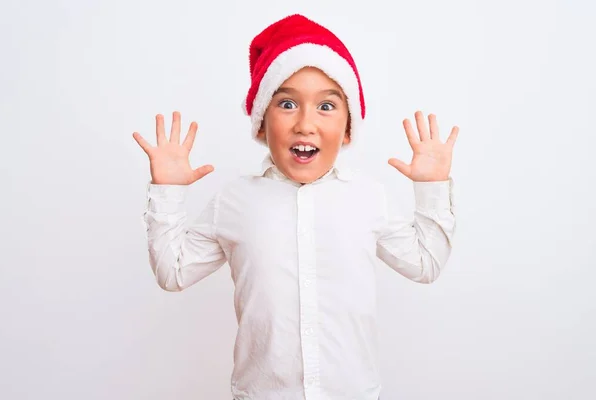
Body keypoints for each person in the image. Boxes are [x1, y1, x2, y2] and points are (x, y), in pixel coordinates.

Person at [133, 13, 459, 400]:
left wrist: (433, 187)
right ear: (260, 123)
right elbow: (174, 272)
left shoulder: (368, 198)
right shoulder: (235, 201)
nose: (306, 124)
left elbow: (426, 265)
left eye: (326, 106)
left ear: (349, 126)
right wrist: (167, 191)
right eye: (287, 103)